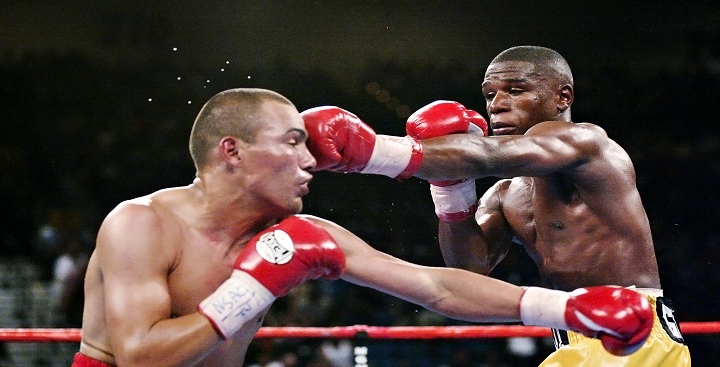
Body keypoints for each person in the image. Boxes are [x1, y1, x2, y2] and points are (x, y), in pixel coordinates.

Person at [75, 87, 654, 367]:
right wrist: (249, 291)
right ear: (233, 151)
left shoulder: (299, 230)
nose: (311, 162)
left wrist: (567, 309)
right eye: (292, 144)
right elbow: (139, 357)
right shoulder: (141, 224)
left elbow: (435, 286)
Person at [301, 46, 691, 366]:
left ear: (563, 97)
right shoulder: (506, 193)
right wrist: (449, 188)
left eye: (515, 90)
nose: (497, 105)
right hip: (569, 337)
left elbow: (484, 156)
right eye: (490, 94)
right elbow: (469, 270)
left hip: (635, 333)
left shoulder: (587, 143)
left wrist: (373, 151)